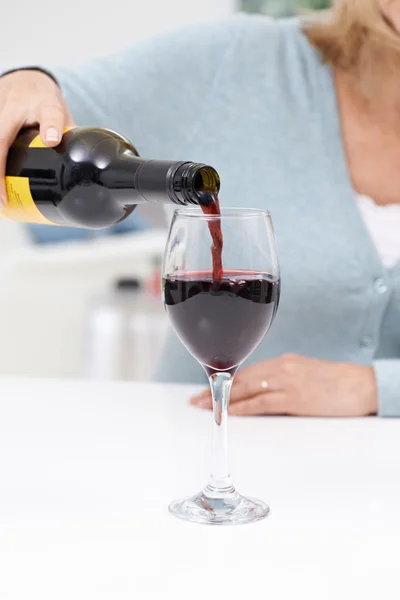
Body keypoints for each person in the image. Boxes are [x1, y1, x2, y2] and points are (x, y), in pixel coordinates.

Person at [0, 0, 399, 417]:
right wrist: (25, 81)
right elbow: (48, 104)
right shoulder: (239, 62)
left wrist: (375, 388)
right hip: (183, 454)